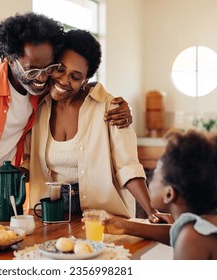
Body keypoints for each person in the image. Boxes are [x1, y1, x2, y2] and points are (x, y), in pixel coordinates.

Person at [0, 12, 131, 213]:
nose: (42, 78)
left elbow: (78, 86)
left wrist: (116, 105)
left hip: (2, 204)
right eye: (32, 70)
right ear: (9, 58)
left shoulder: (41, 93)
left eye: (48, 69)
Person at [21, 29, 162, 223]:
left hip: (101, 214)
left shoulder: (109, 107)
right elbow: (28, 161)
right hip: (50, 212)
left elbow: (128, 166)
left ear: (85, 81)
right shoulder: (37, 106)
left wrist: (151, 210)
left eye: (75, 76)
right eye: (60, 69)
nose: (64, 80)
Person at [107, 129, 217, 260]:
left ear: (169, 194)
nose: (150, 180)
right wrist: (124, 226)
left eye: (155, 176)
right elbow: (176, 231)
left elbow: (187, 235)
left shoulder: (193, 238)